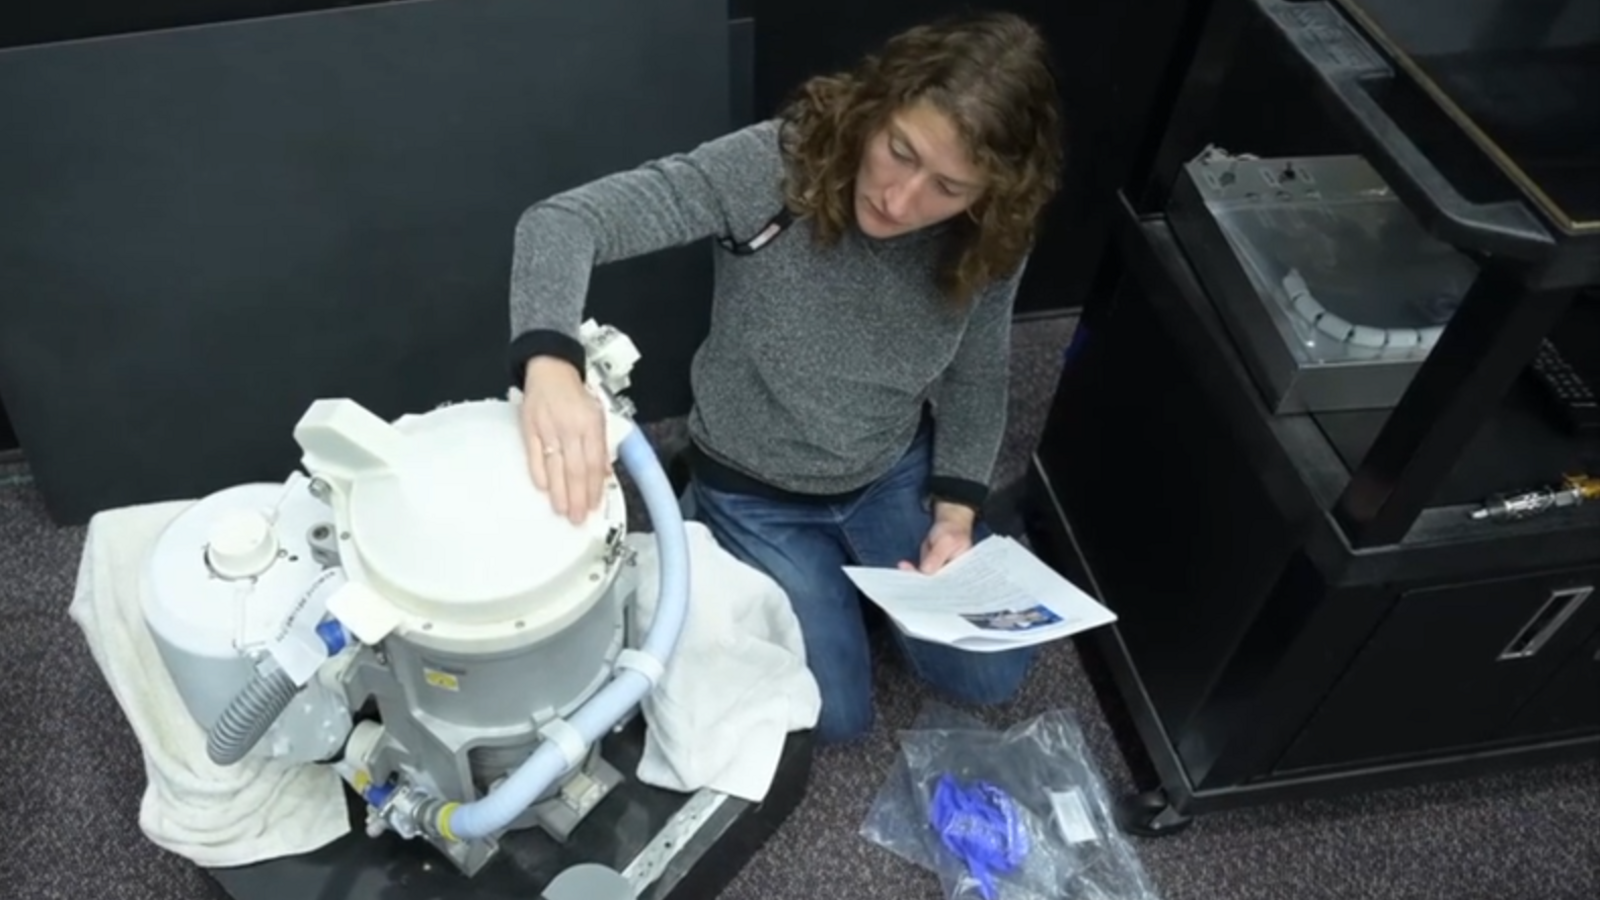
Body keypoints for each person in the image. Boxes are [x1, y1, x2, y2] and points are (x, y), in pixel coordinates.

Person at [506, 11, 1064, 744]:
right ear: (880, 103)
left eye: (947, 187)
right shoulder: (778, 164)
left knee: (990, 674)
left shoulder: (990, 239)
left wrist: (955, 513)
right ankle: (704, 503)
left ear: (989, 193)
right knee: (834, 719)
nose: (900, 200)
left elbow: (977, 373)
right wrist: (551, 367)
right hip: (755, 482)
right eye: (899, 150)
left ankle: (848, 583)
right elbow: (562, 223)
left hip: (888, 470)